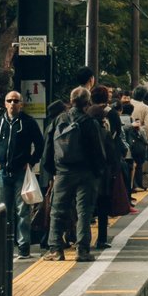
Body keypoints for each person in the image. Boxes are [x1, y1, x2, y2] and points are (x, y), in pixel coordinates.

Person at [48, 87, 106, 261]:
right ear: (87, 102)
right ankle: (82, 251)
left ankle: (56, 250)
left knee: (57, 211)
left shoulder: (60, 119)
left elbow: (48, 146)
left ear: (70, 100)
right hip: (86, 173)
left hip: (63, 172)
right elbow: (98, 151)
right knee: (84, 212)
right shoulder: (90, 123)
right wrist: (98, 172)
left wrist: (52, 171)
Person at [0, 89, 43, 257]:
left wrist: (31, 162)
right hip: (2, 172)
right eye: (9, 100)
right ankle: (4, 246)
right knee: (3, 210)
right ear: (4, 104)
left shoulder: (29, 122)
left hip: (21, 173)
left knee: (23, 210)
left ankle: (24, 246)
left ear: (21, 104)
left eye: (16, 101)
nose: (12, 104)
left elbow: (40, 144)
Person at [88, 84, 124, 249]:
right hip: (106, 164)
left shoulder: (87, 113)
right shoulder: (111, 114)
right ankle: (102, 238)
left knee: (86, 204)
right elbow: (117, 136)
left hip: (88, 165)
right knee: (103, 201)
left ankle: (83, 239)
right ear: (106, 98)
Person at [37, 99, 68, 252]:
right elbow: (49, 153)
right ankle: (50, 239)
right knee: (54, 208)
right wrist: (51, 176)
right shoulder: (57, 127)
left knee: (51, 207)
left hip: (49, 173)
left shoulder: (50, 126)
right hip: (53, 174)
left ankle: (49, 238)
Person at [129, 87, 148, 191]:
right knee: (139, 162)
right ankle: (138, 184)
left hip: (126, 135)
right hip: (138, 137)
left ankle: (130, 185)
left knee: (129, 162)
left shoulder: (128, 103)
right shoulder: (145, 108)